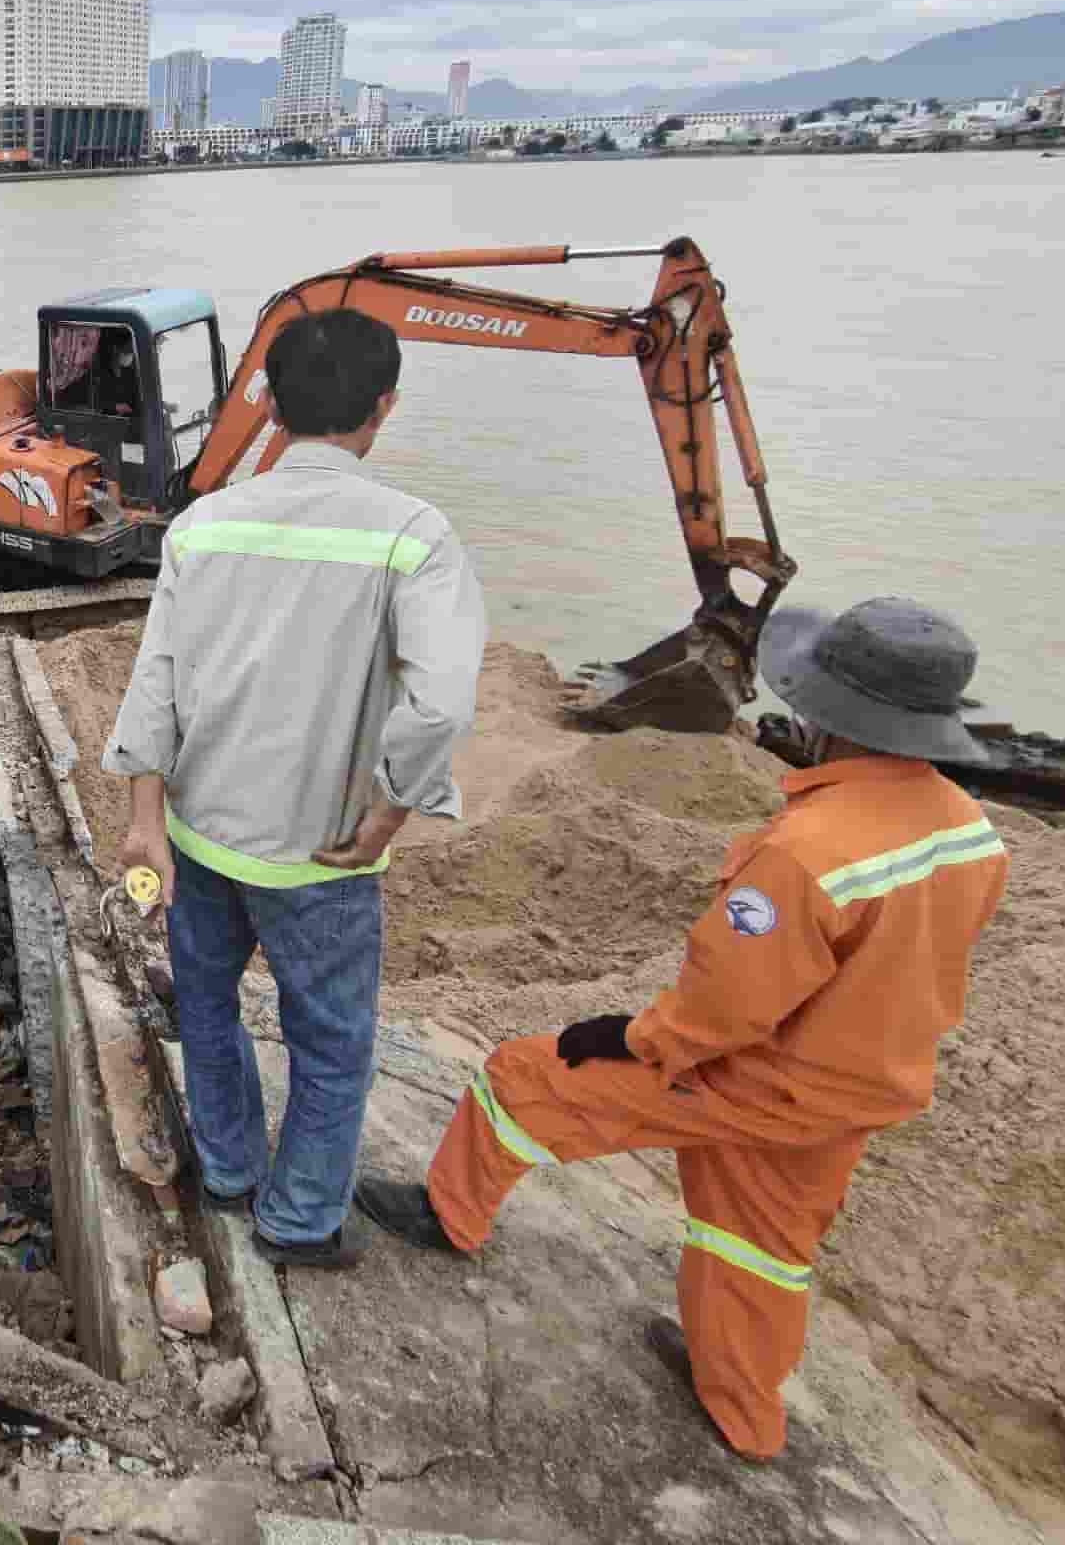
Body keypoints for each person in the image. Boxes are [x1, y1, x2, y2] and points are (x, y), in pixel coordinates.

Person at [356, 597, 1010, 1462]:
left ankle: (448, 1214)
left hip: (764, 1074)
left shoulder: (804, 853)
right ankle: (742, 1409)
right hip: (865, 1088)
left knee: (524, 1077)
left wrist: (630, 1039)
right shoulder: (970, 830)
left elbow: (726, 1009)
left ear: (829, 716)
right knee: (762, 1244)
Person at [109, 307, 486, 1267]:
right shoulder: (414, 535)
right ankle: (301, 1219)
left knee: (206, 1008)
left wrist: (146, 819)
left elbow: (155, 678)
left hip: (199, 836)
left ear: (268, 405)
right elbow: (440, 704)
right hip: (322, 857)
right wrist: (393, 803)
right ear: (385, 407)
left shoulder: (201, 526)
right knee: (329, 1045)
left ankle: (230, 1173)